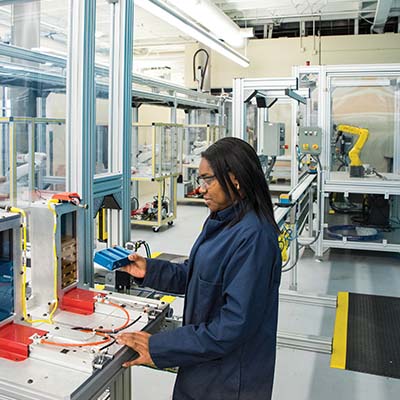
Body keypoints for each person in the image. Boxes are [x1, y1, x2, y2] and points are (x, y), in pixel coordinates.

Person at [117, 137, 282, 400]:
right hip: (204, 365)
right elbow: (196, 275)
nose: (201, 189)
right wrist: (148, 270)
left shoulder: (254, 238)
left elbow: (232, 326)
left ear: (235, 178)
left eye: (208, 180)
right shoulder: (222, 220)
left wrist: (160, 346)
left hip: (230, 380)